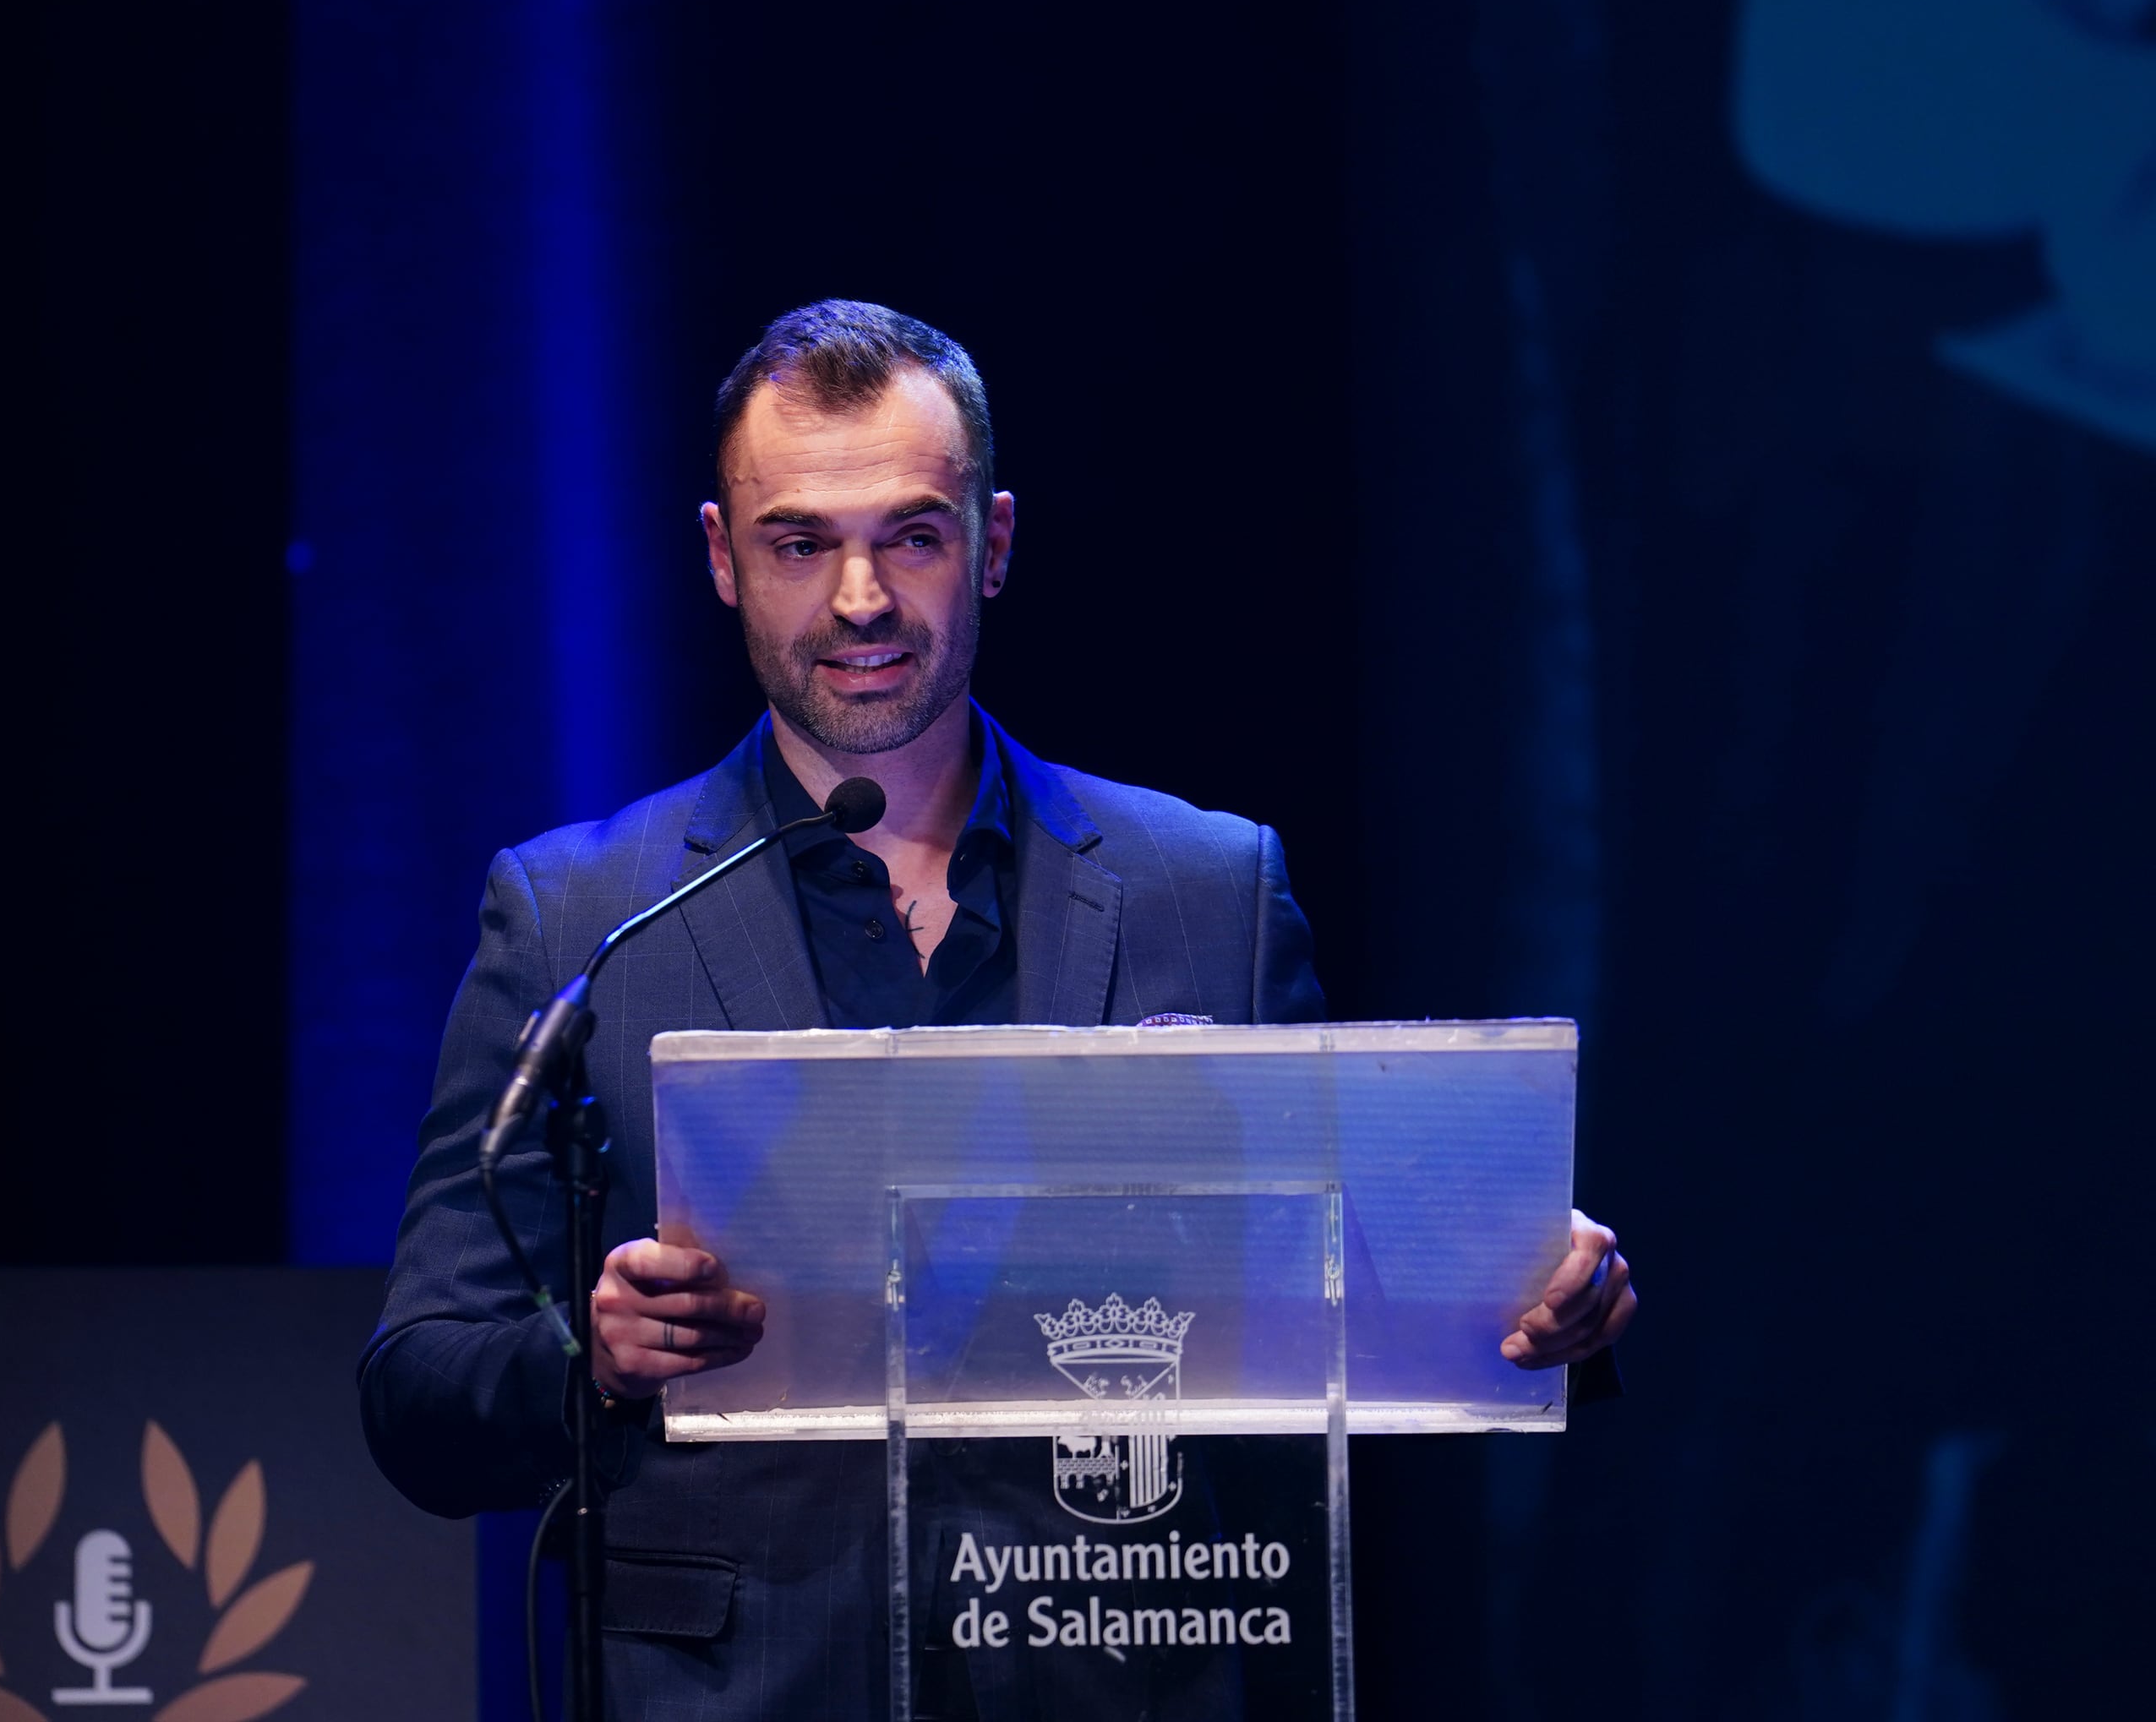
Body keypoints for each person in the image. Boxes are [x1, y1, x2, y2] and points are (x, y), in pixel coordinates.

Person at [360, 300, 1637, 1717]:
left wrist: (1522, 1309)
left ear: (997, 542)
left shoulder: (1205, 887)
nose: (859, 599)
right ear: (724, 559)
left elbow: (1333, 1310)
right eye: (801, 543)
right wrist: (593, 1359)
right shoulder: (580, 917)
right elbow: (419, 1394)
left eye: (912, 534)